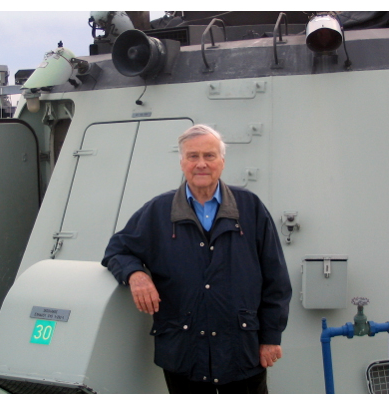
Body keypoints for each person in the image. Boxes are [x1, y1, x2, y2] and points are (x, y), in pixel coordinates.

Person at [102, 124, 292, 394]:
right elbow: (117, 250)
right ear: (182, 163)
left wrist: (271, 338)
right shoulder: (158, 211)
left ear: (222, 162)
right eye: (193, 156)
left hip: (241, 350)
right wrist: (136, 275)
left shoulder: (250, 207)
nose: (201, 164)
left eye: (209, 156)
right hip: (184, 352)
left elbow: (277, 280)